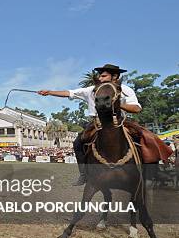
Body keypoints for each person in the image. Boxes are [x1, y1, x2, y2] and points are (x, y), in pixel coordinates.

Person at [38, 63, 171, 185]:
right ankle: (84, 174)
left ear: (115, 76)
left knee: (148, 137)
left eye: (103, 75)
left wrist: (119, 104)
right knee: (78, 142)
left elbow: (136, 108)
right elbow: (69, 92)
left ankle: (152, 171)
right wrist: (49, 92)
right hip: (97, 123)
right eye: (99, 76)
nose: (100, 78)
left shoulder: (125, 89)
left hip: (120, 122)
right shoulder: (91, 89)